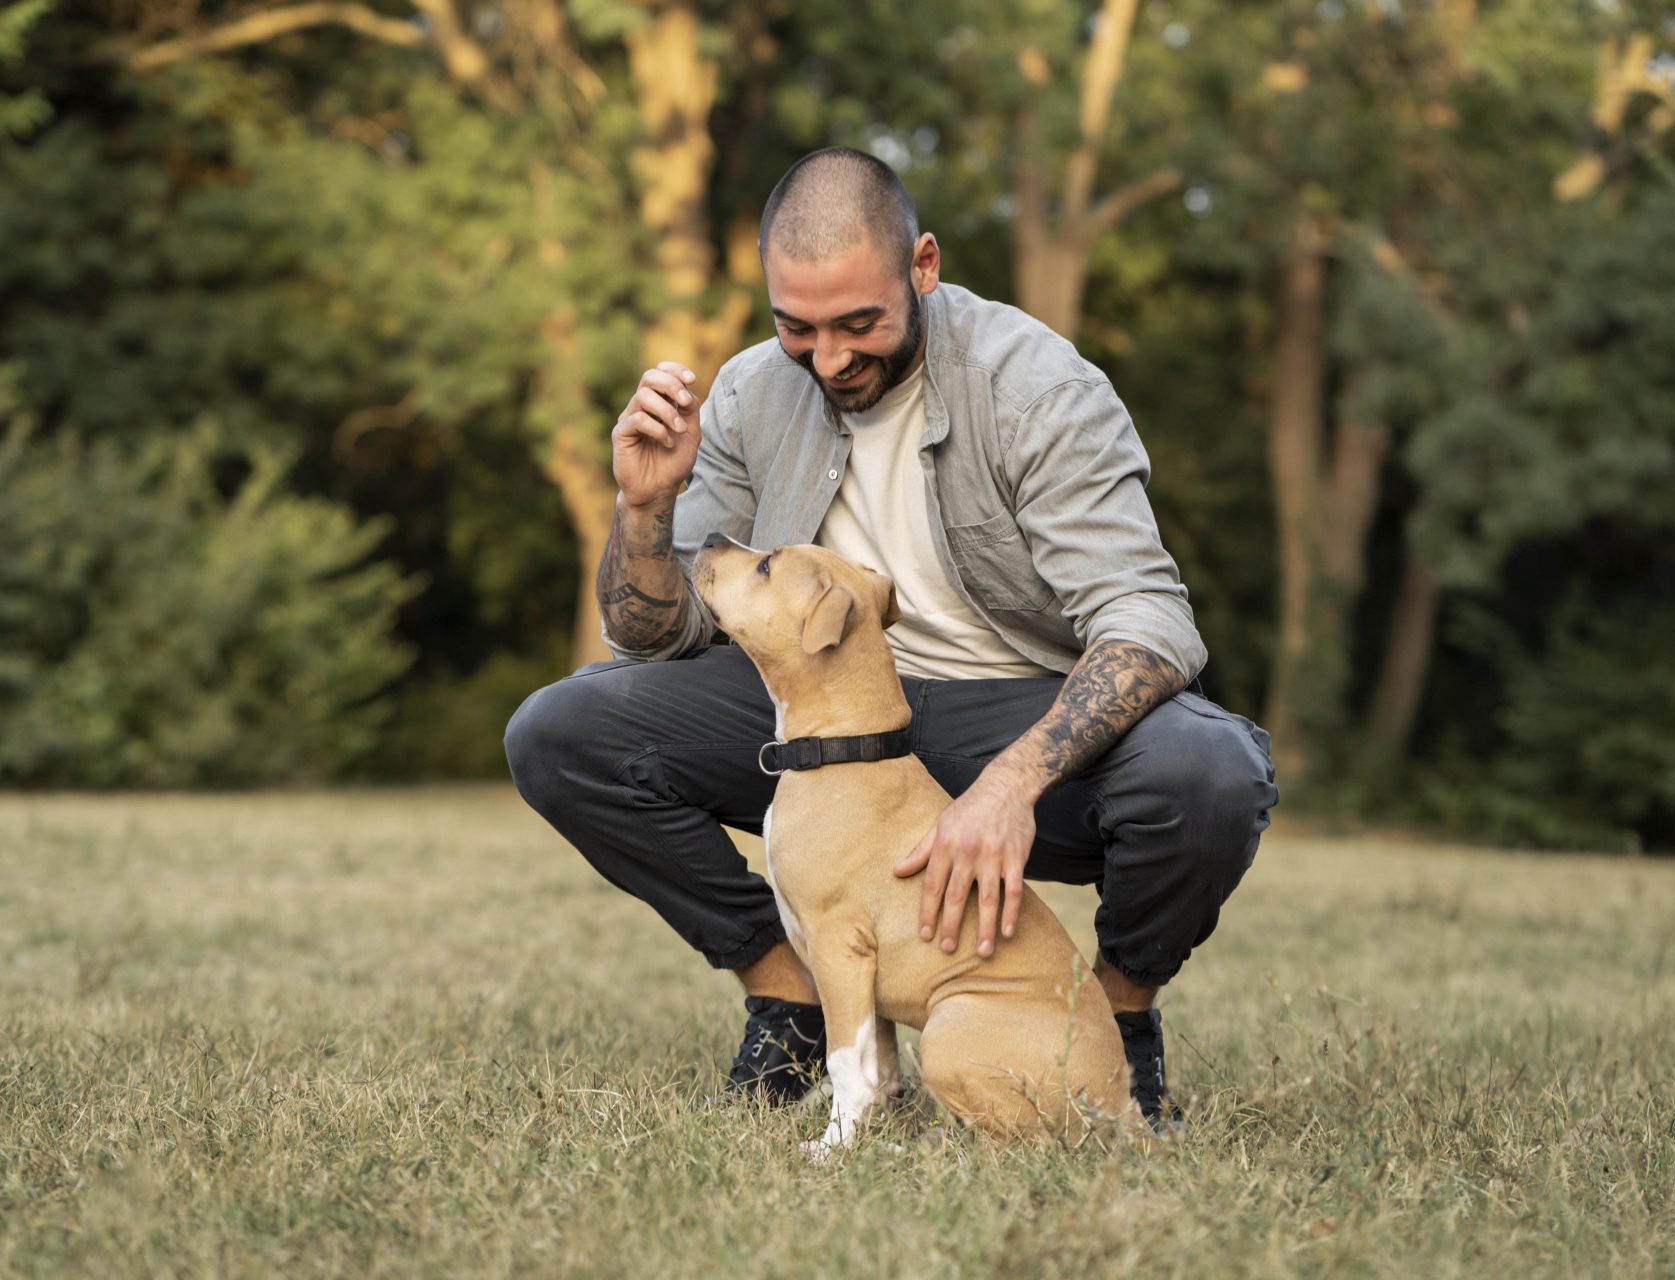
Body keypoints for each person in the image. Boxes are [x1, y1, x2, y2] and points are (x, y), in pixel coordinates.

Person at [506, 147, 1277, 1131]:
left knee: (1210, 771)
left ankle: (1117, 1021)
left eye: (857, 323)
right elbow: (657, 634)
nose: (828, 357)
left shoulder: (1036, 384)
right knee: (564, 730)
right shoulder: (749, 394)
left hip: (1019, 709)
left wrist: (1008, 785)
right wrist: (645, 511)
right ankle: (793, 997)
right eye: (798, 326)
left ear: (923, 265)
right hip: (821, 711)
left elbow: (1150, 621)